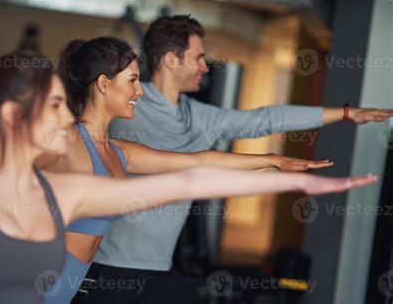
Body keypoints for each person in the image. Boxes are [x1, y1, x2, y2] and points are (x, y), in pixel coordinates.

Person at [0, 51, 375, 304]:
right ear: (13, 115)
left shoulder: (76, 181)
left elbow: (190, 177)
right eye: (54, 107)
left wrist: (278, 171)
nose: (66, 118)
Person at [76, 15, 393, 304]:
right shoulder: (125, 104)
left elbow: (262, 121)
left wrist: (346, 113)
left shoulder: (200, 117)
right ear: (171, 60)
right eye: (198, 58)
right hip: (107, 269)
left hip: (158, 269)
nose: (205, 65)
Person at [38, 37, 334, 303]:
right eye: (132, 80)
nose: (140, 91)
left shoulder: (119, 151)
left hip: (71, 286)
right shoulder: (71, 141)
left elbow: (199, 161)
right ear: (104, 83)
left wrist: (273, 160)